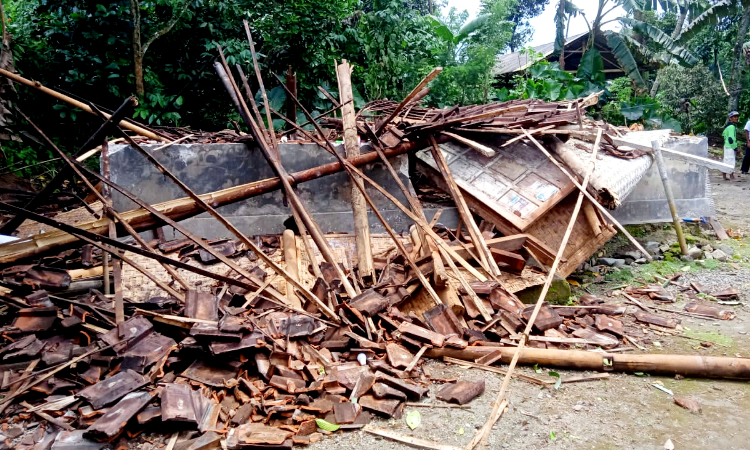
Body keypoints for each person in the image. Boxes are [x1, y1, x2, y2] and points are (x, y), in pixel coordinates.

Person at [722, 111, 740, 180]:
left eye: (737, 117)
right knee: (731, 160)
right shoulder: (732, 127)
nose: (736, 118)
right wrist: (735, 148)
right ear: (730, 118)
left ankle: (724, 174)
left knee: (726, 160)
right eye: (735, 117)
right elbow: (731, 139)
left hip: (726, 146)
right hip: (730, 147)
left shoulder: (727, 127)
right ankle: (731, 175)